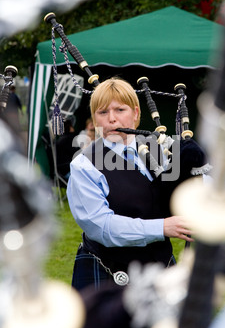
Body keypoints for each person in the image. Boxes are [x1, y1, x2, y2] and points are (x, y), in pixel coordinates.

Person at [67, 77, 194, 291]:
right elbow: (102, 227)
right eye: (103, 112)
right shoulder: (84, 166)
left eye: (120, 110)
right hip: (108, 270)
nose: (112, 120)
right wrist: (162, 227)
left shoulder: (161, 151)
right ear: (94, 119)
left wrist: (198, 170)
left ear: (136, 114)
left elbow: (190, 195)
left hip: (160, 266)